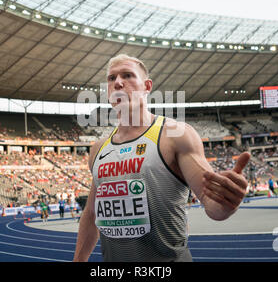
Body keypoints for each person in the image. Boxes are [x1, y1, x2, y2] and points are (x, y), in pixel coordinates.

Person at [73, 54, 250, 262]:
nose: (118, 82)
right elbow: (92, 212)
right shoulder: (98, 148)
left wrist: (226, 202)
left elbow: (212, 204)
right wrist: (79, 259)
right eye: (111, 78)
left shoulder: (175, 135)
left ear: (147, 86)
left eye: (127, 75)